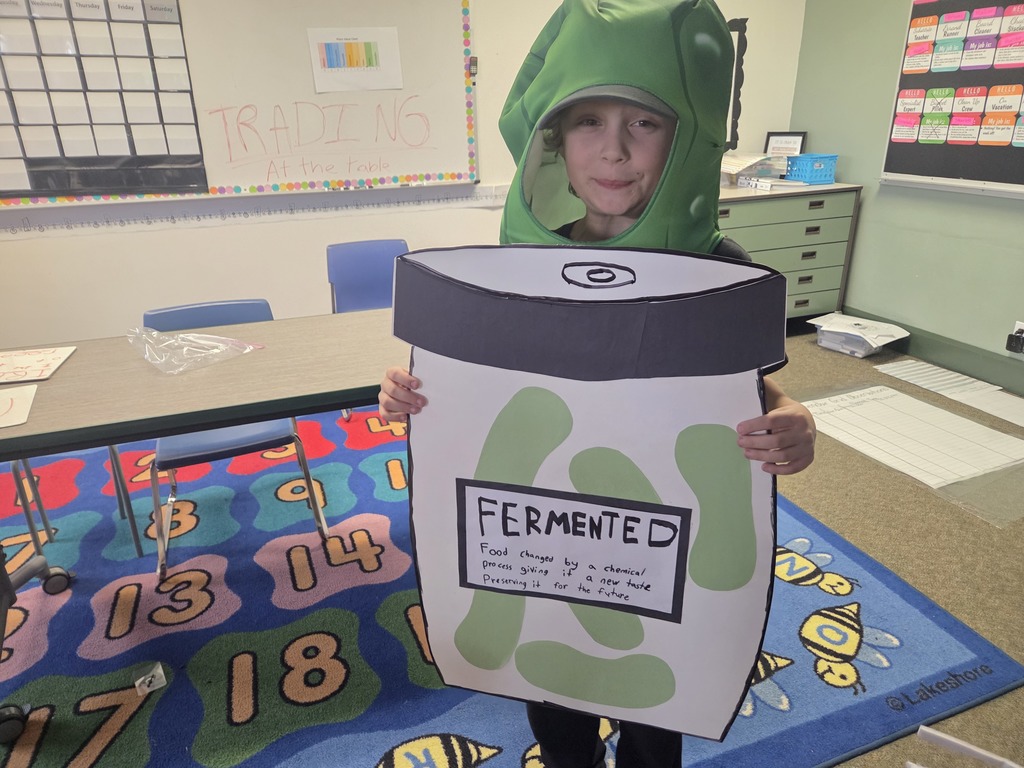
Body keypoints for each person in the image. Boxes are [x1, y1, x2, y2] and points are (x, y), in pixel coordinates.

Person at [381, 1, 816, 766]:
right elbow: (475, 388)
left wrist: (796, 420)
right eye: (587, 122)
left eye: (644, 123)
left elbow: (753, 397)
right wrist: (414, 395)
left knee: (656, 723)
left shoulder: (721, 270)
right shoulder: (512, 274)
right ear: (551, 137)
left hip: (659, 544)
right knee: (556, 703)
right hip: (543, 535)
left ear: (686, 135)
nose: (613, 151)